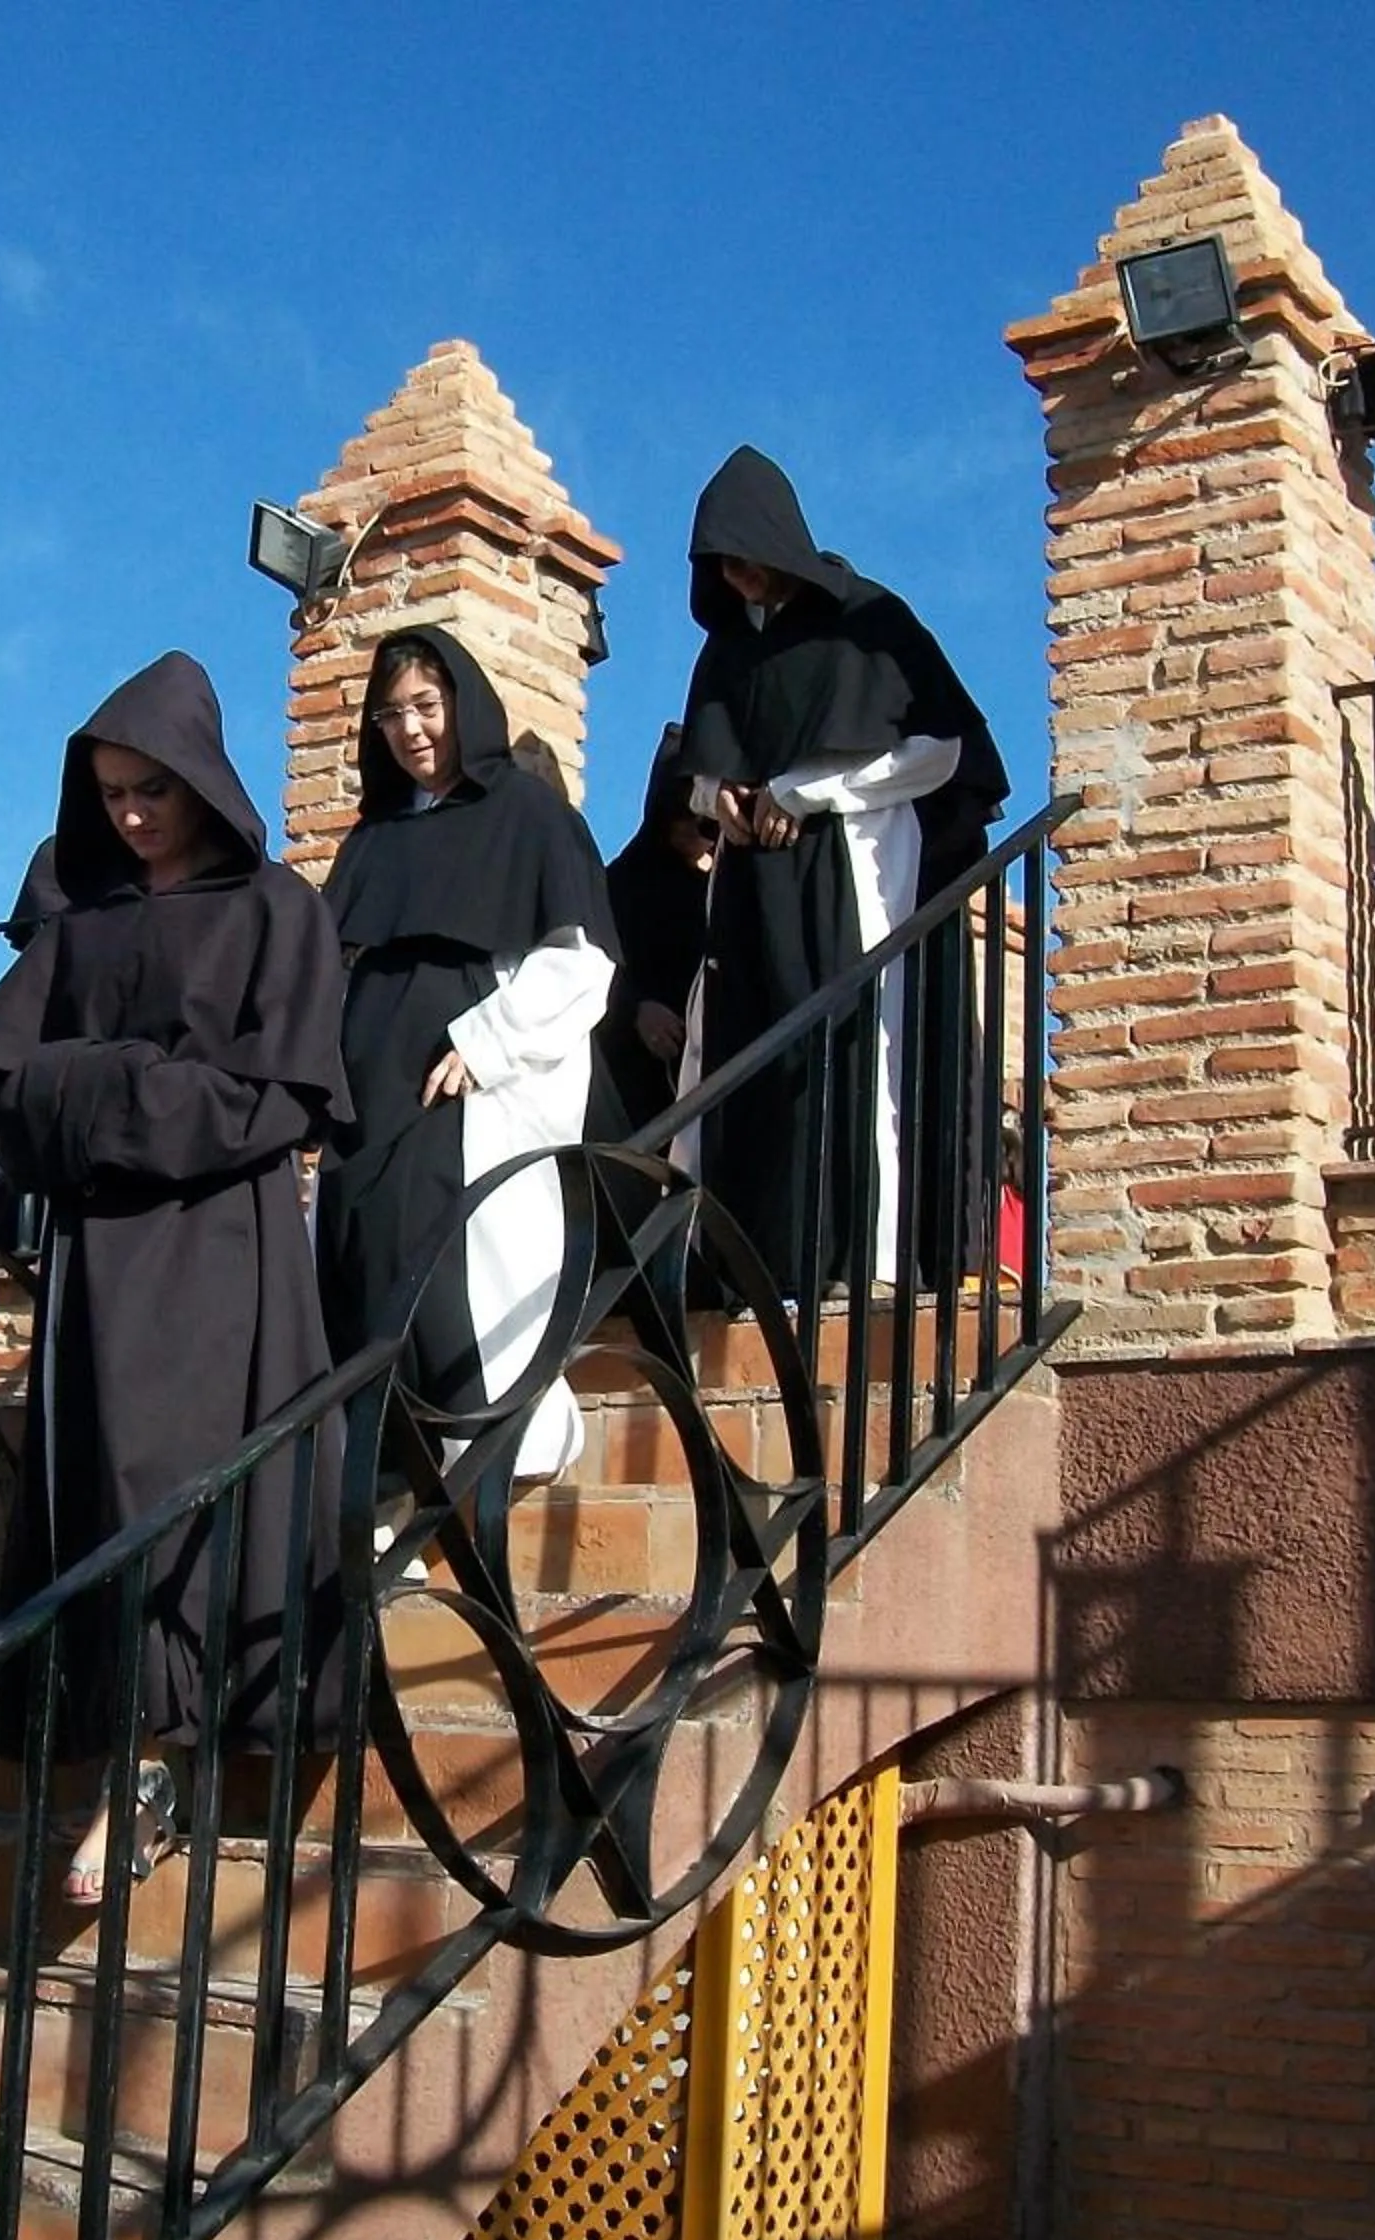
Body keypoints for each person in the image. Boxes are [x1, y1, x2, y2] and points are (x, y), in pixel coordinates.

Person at [0, 650, 349, 1904]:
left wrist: (99, 1087)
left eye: (153, 792)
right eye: (114, 793)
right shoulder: (85, 923)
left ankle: (171, 1762)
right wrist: (105, 1090)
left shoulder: (276, 909)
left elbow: (275, 1100)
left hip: (215, 1246)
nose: (131, 815)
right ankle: (128, 1751)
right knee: (104, 1494)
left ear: (201, 785)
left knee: (183, 1480)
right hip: (96, 1254)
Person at [677, 445, 1009, 1302]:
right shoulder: (725, 655)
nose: (740, 578)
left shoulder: (869, 619)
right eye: (724, 564)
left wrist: (811, 789)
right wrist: (730, 800)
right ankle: (742, 1269)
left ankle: (870, 1263)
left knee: (863, 1053)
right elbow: (701, 774)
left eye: (748, 556)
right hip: (752, 882)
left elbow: (943, 749)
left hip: (855, 866)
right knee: (744, 1064)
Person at [316, 625, 616, 1489]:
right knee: (359, 1258)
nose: (410, 729)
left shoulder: (527, 817)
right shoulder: (372, 841)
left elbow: (579, 964)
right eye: (390, 715)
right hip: (368, 1090)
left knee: (449, 1264)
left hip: (461, 1087)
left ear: (463, 706)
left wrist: (485, 1043)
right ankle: (381, 1482)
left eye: (425, 706)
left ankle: (486, 1451)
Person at [598, 723, 715, 1135]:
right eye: (681, 816)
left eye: (704, 820)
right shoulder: (621, 884)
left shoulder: (722, 893)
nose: (692, 831)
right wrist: (635, 1009)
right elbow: (593, 964)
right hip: (630, 1081)